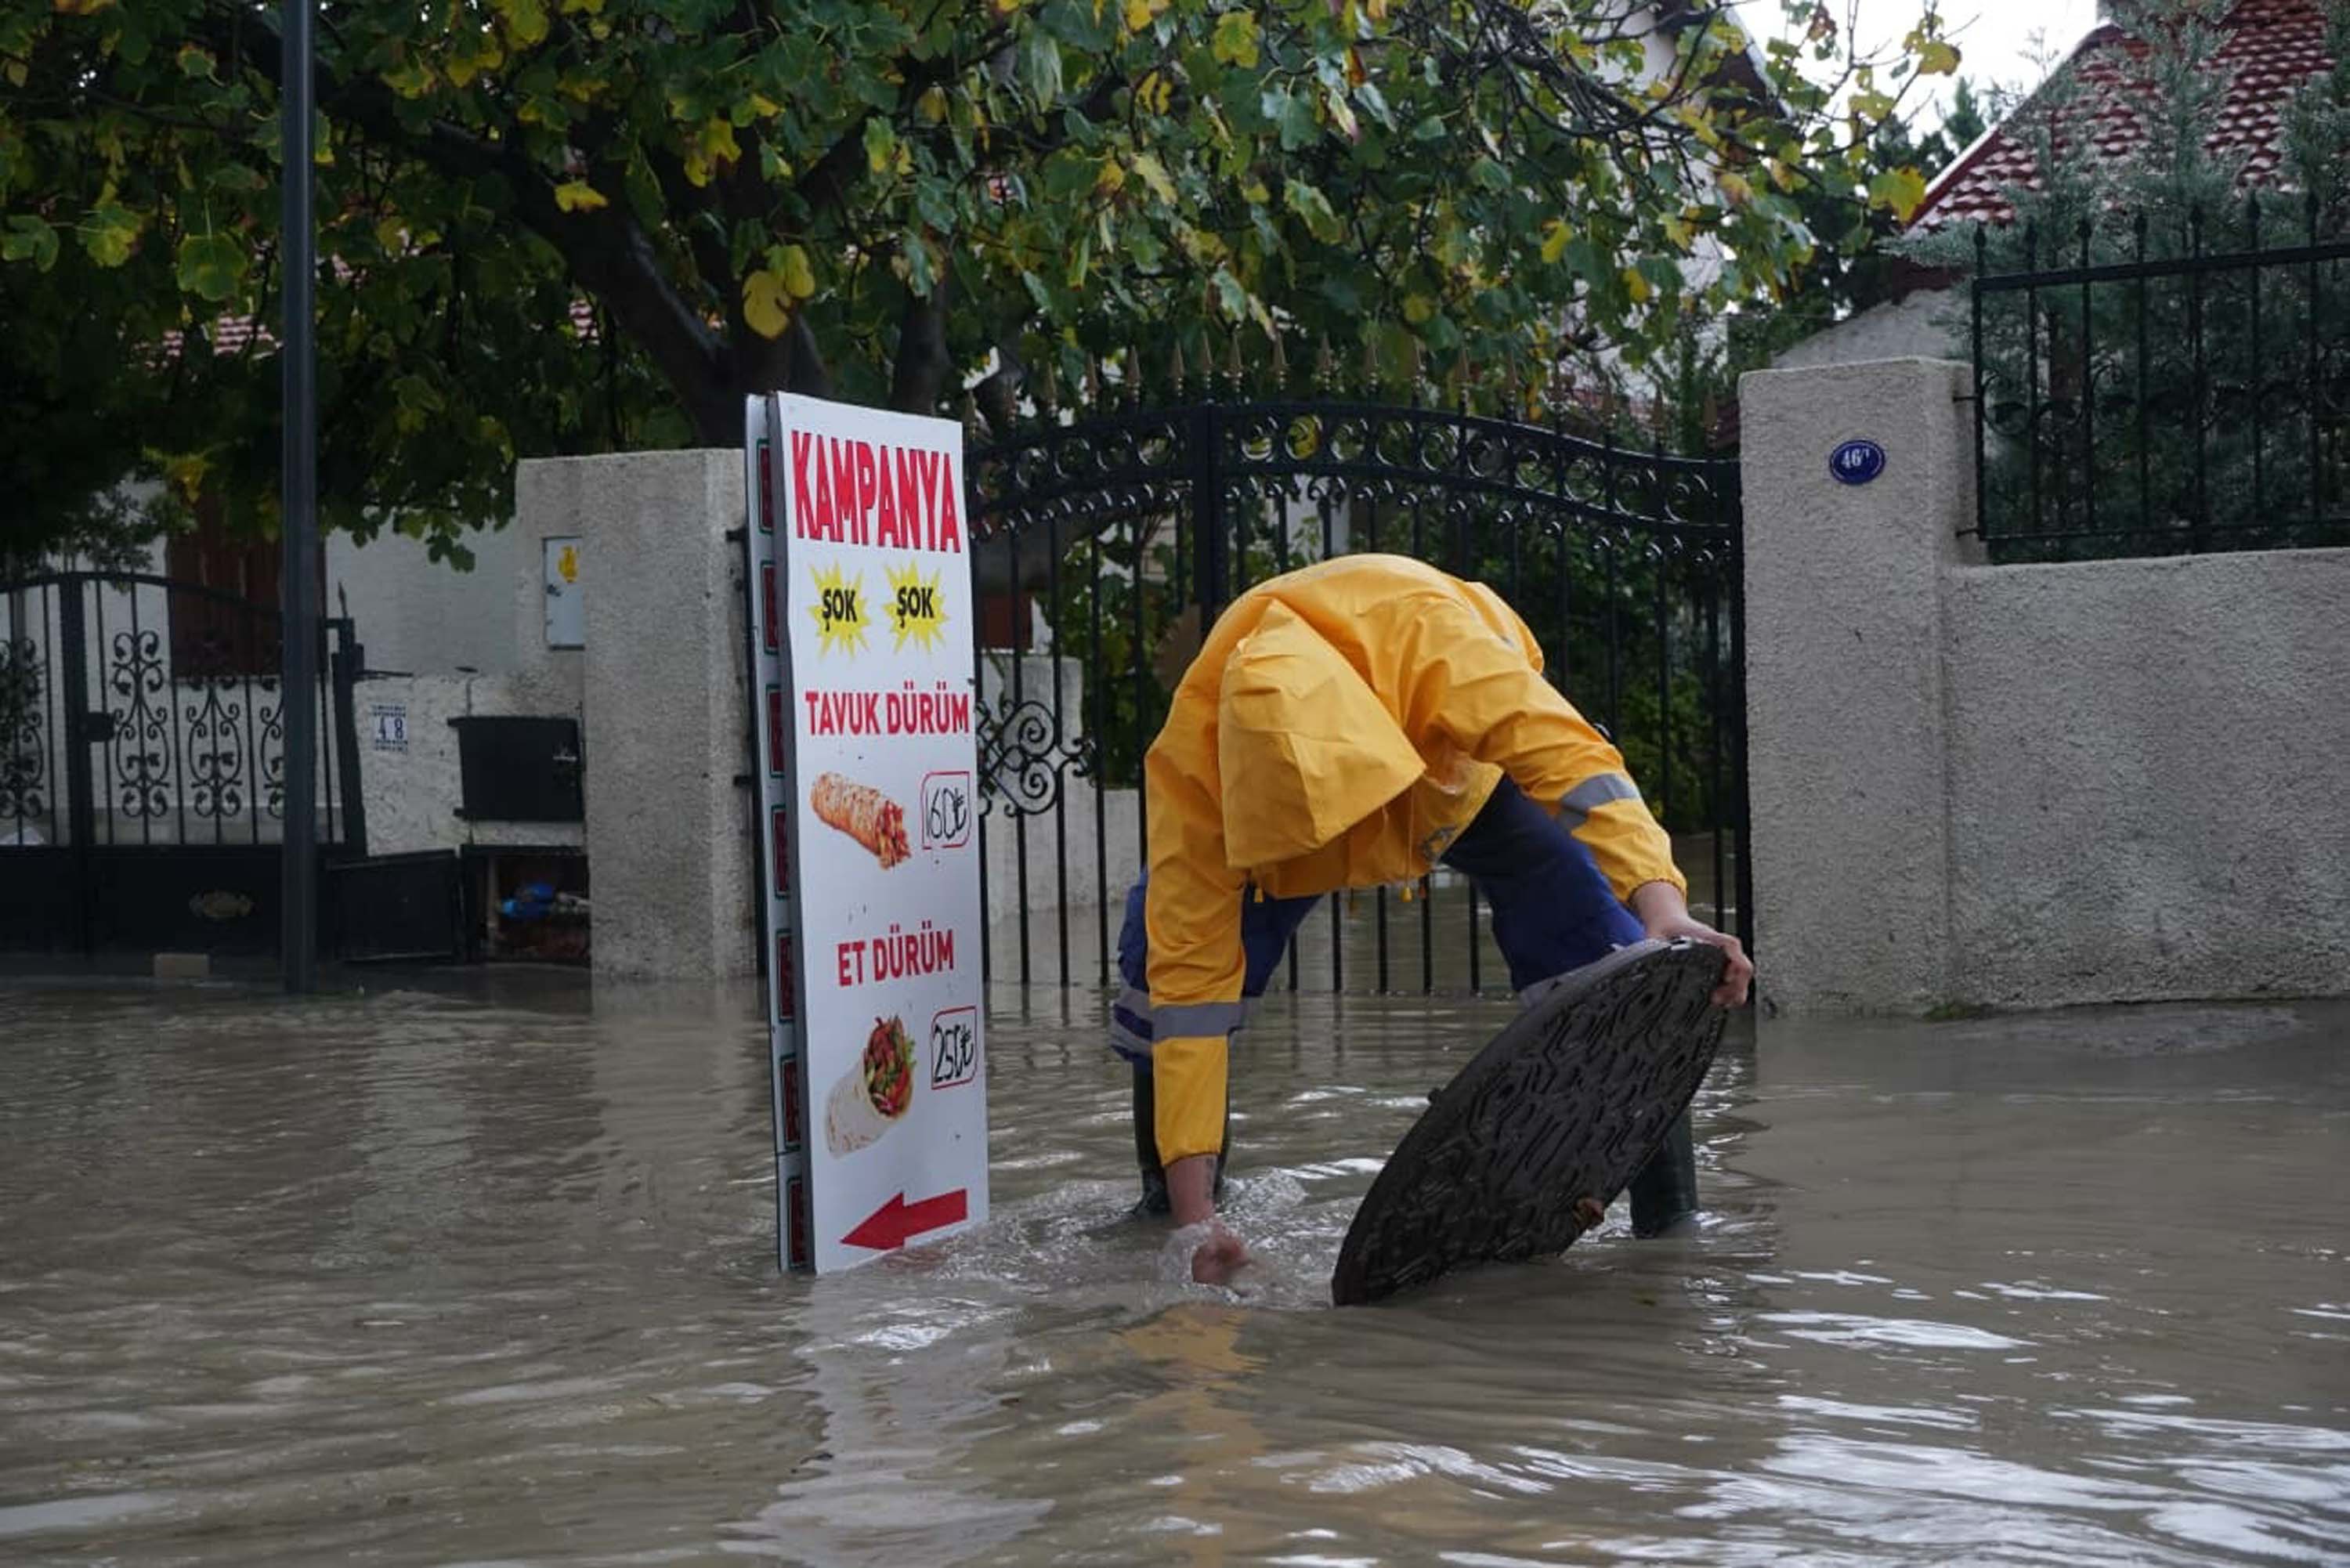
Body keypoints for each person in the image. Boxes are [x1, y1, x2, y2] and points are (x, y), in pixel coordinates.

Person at [1108, 554, 1753, 1286]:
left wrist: (1663, 905)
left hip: (1454, 780)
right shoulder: (1195, 788)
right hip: (1265, 850)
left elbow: (1575, 764)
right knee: (1154, 977)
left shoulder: (1439, 645)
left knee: (1612, 958)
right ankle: (1170, 1205)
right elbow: (1188, 999)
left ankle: (1670, 1229)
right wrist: (1197, 1225)